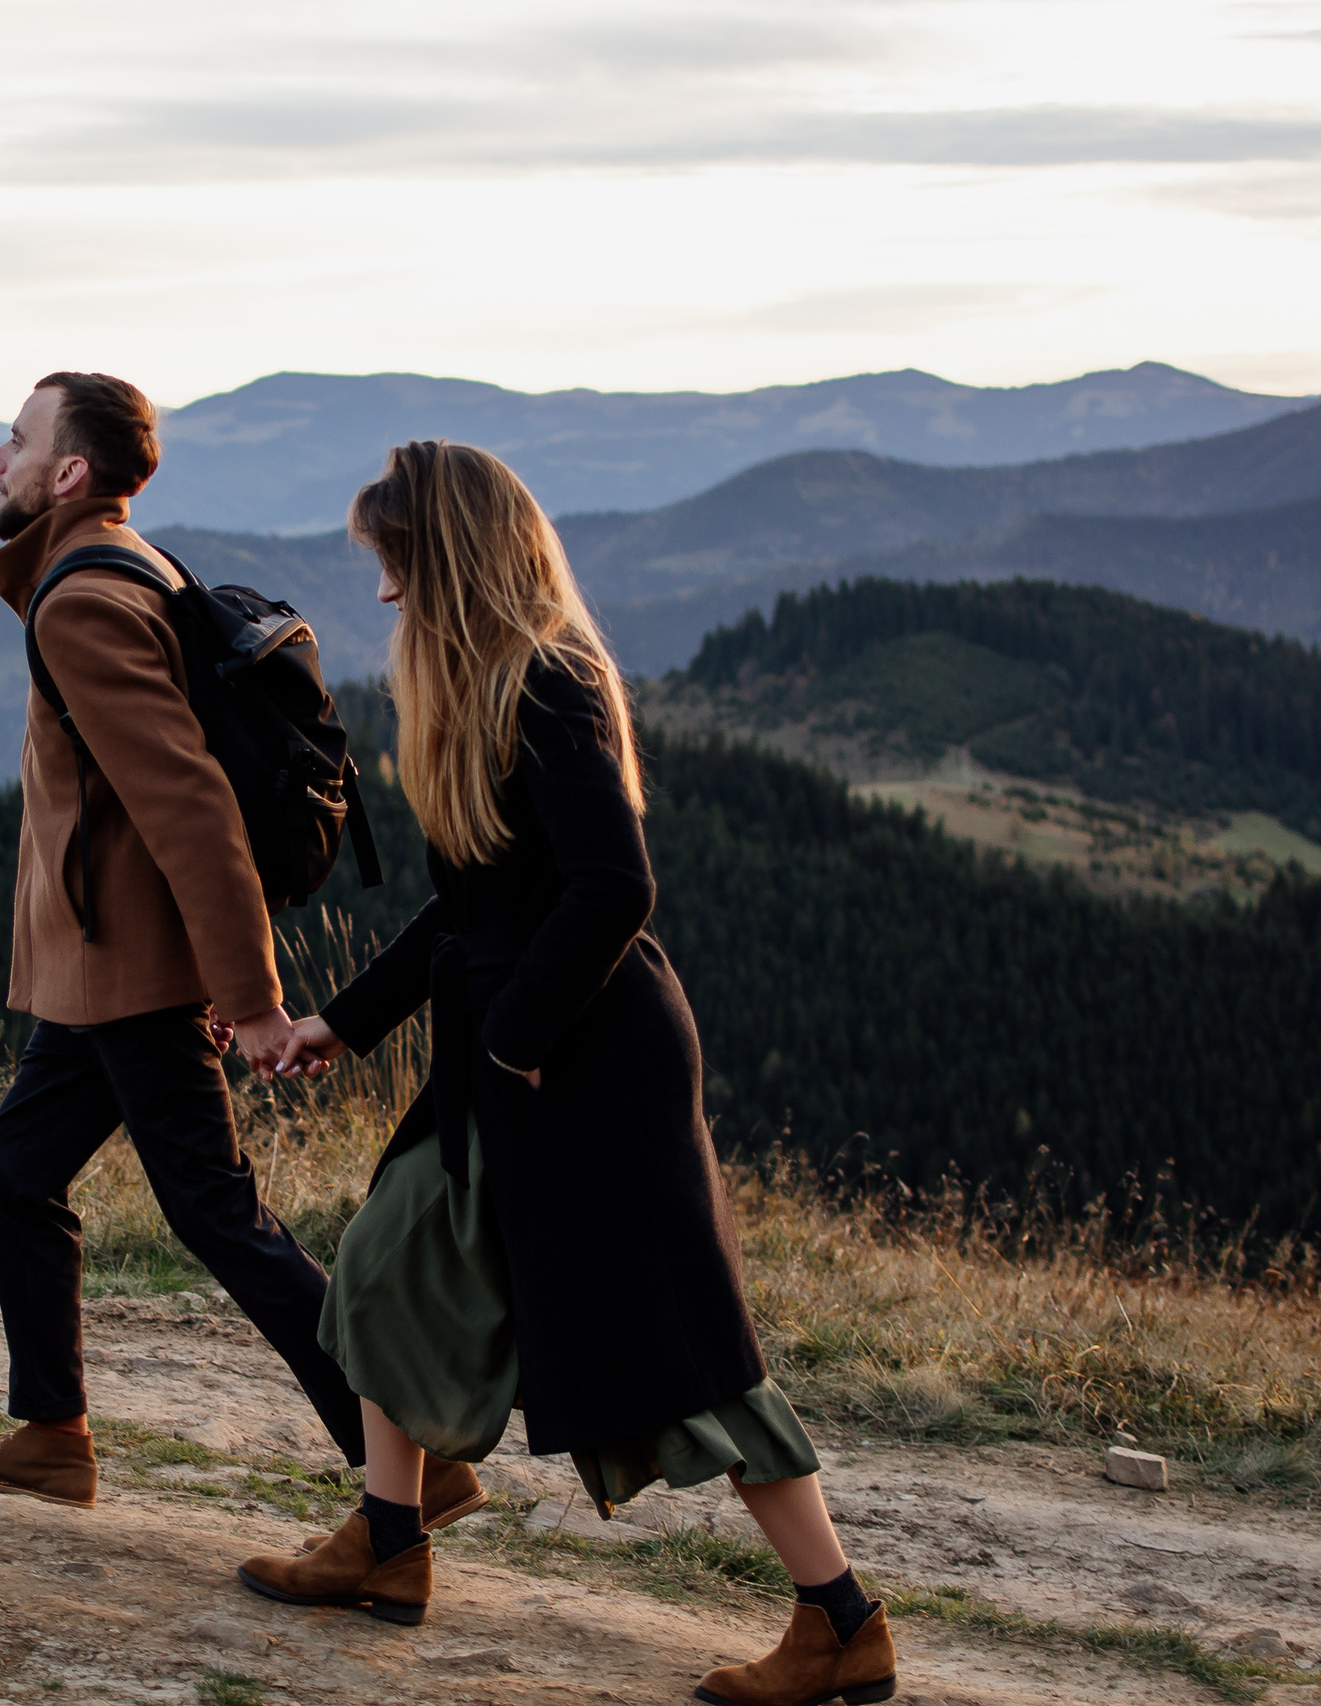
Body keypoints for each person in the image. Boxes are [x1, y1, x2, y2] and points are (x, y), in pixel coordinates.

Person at [232, 442, 897, 1706]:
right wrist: (344, 1022)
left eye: (398, 562)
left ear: (456, 557)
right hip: (514, 1052)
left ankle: (842, 1618)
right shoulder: (483, 680)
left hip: (585, 1062)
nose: (383, 593)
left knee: (686, 1356)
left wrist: (514, 1041)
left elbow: (613, 887)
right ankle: (388, 1537)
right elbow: (469, 905)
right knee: (380, 1260)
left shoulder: (546, 680)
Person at [0, 374, 476, 1523]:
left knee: (220, 1215)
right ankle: (51, 1431)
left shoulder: (81, 600)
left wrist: (251, 998)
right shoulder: (137, 567)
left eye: (17, 441)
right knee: (18, 1166)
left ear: (69, 474)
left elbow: (190, 808)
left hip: (134, 965)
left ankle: (415, 1458)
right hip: (104, 963)